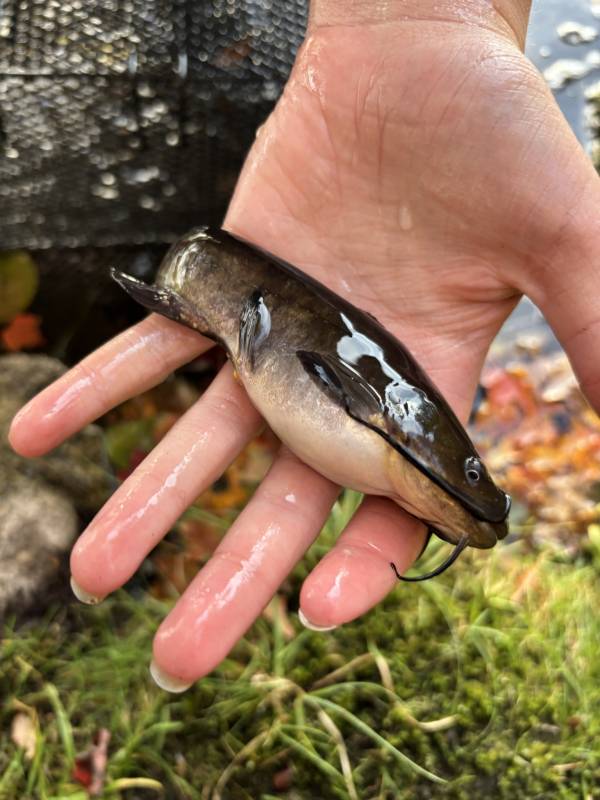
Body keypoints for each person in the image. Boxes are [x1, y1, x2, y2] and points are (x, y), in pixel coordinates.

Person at [9, 0, 600, 692]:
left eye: (469, 474)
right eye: (468, 471)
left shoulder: (394, 435)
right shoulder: (386, 419)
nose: (469, 487)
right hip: (233, 277)